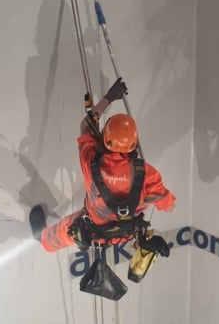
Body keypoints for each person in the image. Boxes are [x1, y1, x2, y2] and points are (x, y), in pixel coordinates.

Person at [29, 78, 175, 258]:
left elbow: (86, 125)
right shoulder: (148, 175)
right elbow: (168, 205)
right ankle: (45, 239)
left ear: (105, 138)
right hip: (125, 233)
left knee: (68, 229)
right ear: (133, 144)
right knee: (80, 225)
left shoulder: (90, 159)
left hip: (94, 228)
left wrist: (109, 98)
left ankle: (43, 239)